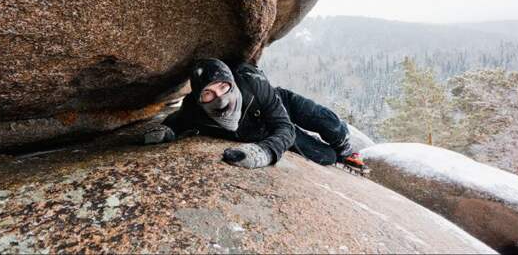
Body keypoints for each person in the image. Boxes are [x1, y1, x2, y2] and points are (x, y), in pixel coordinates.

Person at [144, 58, 367, 171]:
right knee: (325, 156)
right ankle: (337, 156)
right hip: (262, 130)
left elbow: (284, 126)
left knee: (325, 120)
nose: (220, 98)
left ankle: (345, 147)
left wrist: (266, 152)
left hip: (276, 105)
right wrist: (166, 130)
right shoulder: (194, 108)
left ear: (231, 83)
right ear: (199, 98)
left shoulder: (254, 84)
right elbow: (178, 120)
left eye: (223, 87)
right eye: (209, 93)